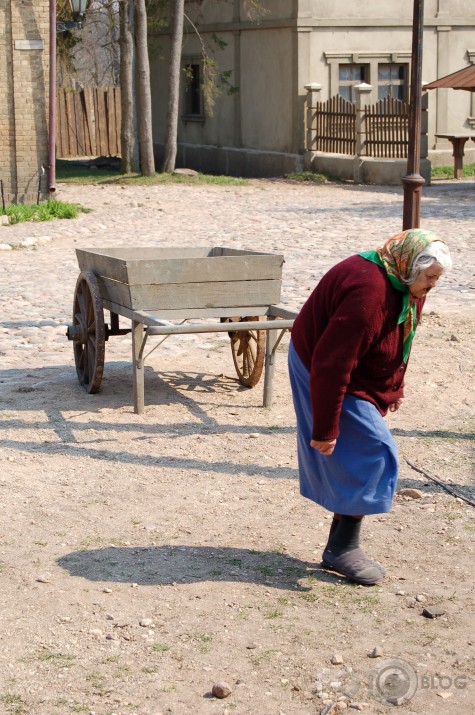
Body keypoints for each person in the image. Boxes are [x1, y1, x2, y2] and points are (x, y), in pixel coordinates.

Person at [288, 228, 452, 585]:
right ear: (411, 267)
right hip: (318, 363)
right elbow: (332, 364)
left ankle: (339, 543)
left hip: (353, 368)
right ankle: (343, 548)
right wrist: (326, 428)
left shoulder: (405, 278)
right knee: (376, 451)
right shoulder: (369, 291)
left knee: (364, 449)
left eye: (438, 278)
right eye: (430, 277)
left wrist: (392, 388)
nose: (433, 285)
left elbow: (397, 336)